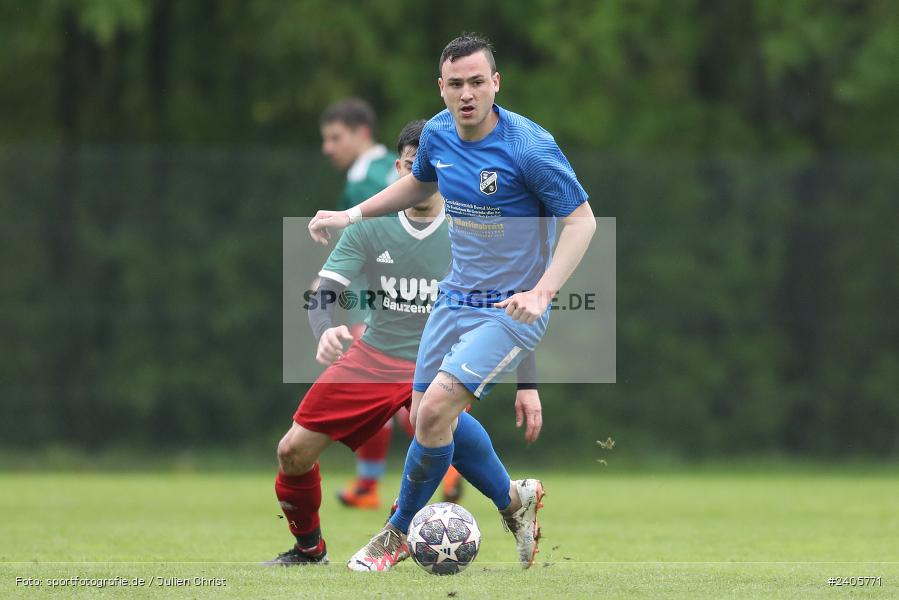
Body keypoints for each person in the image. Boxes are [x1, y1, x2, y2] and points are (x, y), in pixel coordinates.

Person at [308, 33, 595, 572]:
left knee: (436, 410)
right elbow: (419, 186)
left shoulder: (529, 147)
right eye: (456, 83)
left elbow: (582, 221)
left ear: (496, 84)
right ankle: (514, 502)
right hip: (455, 297)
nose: (467, 93)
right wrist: (351, 216)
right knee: (425, 419)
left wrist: (542, 291)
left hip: (511, 307)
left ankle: (394, 535)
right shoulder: (438, 133)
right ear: (441, 88)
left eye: (477, 82)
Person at [267, 119, 541, 566]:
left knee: (435, 418)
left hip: (443, 363)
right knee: (292, 451)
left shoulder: (472, 231)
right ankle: (309, 549)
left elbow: (515, 310)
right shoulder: (370, 227)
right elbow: (323, 295)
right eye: (415, 168)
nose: (424, 178)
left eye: (433, 169)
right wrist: (325, 329)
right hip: (375, 356)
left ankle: (402, 531)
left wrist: (528, 384)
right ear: (400, 169)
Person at [319, 98, 408, 508]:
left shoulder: (375, 175)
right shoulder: (385, 166)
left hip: (381, 301)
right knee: (393, 391)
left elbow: (392, 235)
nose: (328, 147)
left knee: (389, 390)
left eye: (336, 138)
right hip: (383, 295)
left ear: (362, 134)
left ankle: (449, 466)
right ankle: (370, 486)